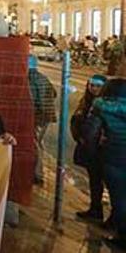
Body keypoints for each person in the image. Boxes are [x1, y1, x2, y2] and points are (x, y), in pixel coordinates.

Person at [92, 77, 126, 249]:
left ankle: (123, 235)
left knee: (119, 198)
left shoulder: (101, 107)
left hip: (114, 156)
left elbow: (92, 132)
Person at [73, 74, 109, 222]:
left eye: (97, 86)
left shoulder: (104, 105)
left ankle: (111, 216)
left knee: (104, 181)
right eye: (91, 85)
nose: (94, 89)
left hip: (100, 149)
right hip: (89, 147)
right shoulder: (86, 101)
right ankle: (95, 209)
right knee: (95, 180)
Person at [27, 54, 57, 185]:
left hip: (38, 116)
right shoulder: (42, 77)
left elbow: (32, 99)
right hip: (47, 115)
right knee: (38, 142)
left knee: (34, 144)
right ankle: (37, 172)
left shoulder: (29, 78)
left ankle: (37, 174)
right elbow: (54, 93)